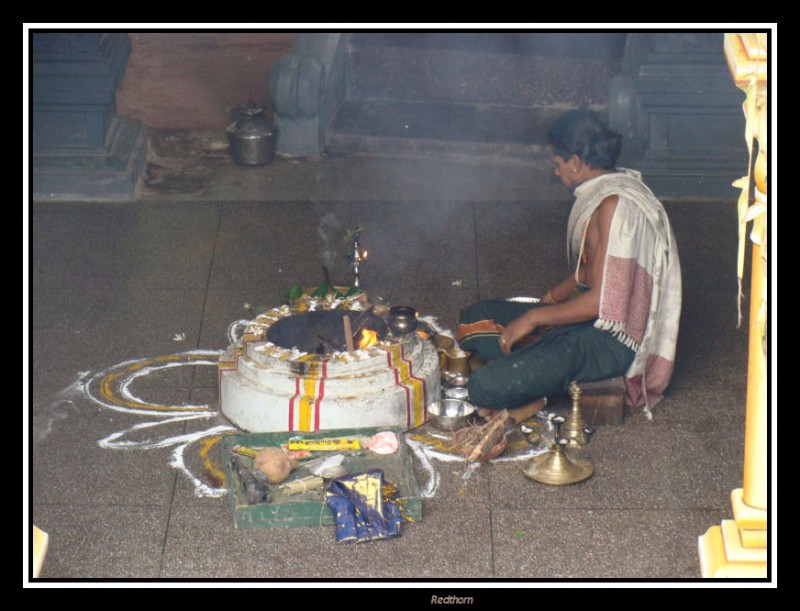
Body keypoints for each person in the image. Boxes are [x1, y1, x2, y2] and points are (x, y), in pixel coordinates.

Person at [456, 109, 682, 424]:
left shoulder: (616, 206)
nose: (557, 173)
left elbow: (600, 302)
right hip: (585, 318)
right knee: (473, 319)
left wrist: (534, 318)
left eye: (557, 165)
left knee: (483, 387)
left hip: (609, 341)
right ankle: (541, 366)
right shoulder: (604, 195)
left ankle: (543, 382)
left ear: (575, 161)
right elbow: (587, 273)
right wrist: (547, 301)